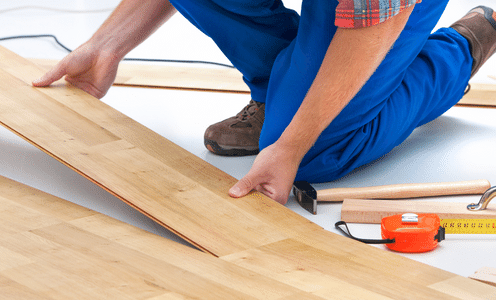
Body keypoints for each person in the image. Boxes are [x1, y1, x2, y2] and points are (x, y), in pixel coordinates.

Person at [33, 1, 496, 205]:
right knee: (295, 118)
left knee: (316, 153)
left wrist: (292, 144)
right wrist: (107, 45)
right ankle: (283, 92)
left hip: (378, 8)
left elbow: (370, 19)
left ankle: (460, 47)